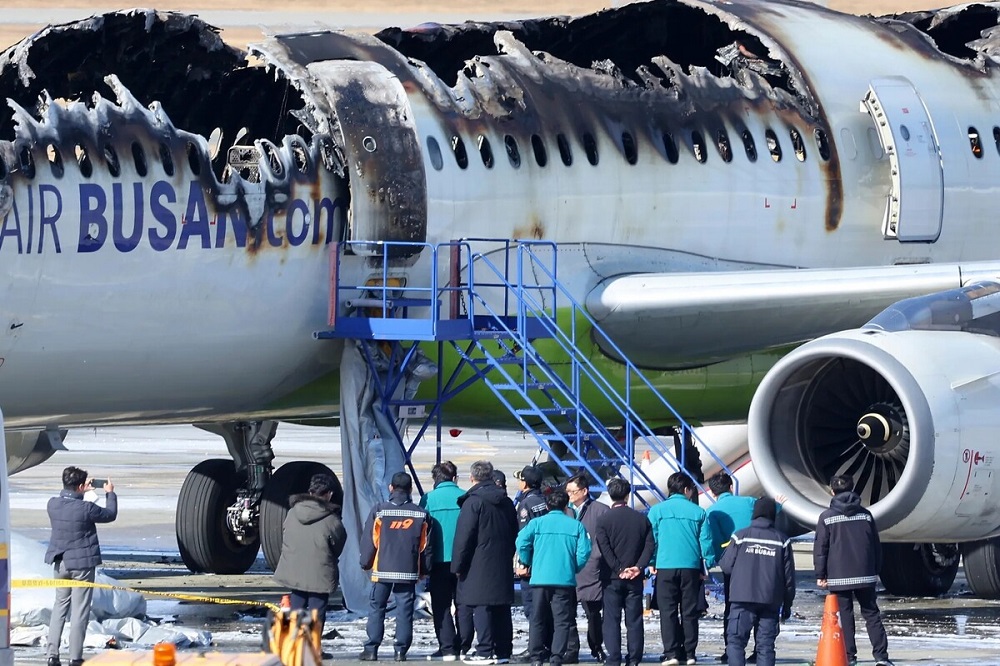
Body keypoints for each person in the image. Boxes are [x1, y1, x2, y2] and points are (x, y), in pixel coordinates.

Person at [814, 475, 893, 666]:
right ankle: (881, 656)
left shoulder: (827, 517)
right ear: (852, 489)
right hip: (865, 574)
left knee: (845, 616)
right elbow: (876, 546)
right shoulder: (866, 515)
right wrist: (875, 569)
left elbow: (821, 548)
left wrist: (820, 574)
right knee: (872, 615)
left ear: (832, 491)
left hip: (838, 576)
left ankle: (849, 656)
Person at [44, 467, 119, 666]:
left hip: (60, 562)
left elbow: (70, 504)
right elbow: (110, 514)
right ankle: (75, 657)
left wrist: (81, 492)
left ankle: (52, 655)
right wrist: (110, 493)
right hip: (82, 565)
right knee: (79, 611)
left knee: (59, 607)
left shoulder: (52, 504)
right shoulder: (86, 508)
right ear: (80, 486)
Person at [360, 472, 432, 662]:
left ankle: (371, 649)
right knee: (405, 610)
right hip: (407, 570)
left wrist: (365, 562)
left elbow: (370, 540)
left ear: (391, 488)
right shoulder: (420, 514)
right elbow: (425, 546)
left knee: (377, 607)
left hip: (382, 568)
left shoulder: (380, 511)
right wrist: (424, 570)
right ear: (410, 489)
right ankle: (400, 650)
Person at [452, 460, 519, 665]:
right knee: (501, 606)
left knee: (481, 605)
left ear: (472, 477)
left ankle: (484, 650)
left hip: (477, 562)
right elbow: (514, 532)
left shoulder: (473, 502)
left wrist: (457, 565)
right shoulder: (506, 501)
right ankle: (503, 650)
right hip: (501, 561)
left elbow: (464, 537)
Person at [515, 490, 591, 666]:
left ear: (547, 506)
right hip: (564, 579)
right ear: (566, 507)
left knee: (537, 618)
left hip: (540, 578)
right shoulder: (575, 526)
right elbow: (585, 551)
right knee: (562, 620)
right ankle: (556, 657)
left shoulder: (536, 523)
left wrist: (527, 560)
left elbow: (521, 542)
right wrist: (573, 567)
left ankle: (536, 656)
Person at [647, 472, 714, 666]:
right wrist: (706, 564)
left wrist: (651, 562)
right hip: (690, 567)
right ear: (686, 490)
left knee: (667, 611)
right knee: (689, 611)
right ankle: (690, 653)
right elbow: (706, 541)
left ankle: (671, 654)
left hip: (665, 566)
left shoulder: (657, 511)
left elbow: (652, 540)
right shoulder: (699, 512)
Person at [718, 497, 795, 666]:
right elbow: (789, 578)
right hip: (770, 600)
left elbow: (726, 566)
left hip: (742, 599)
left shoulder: (740, 536)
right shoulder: (782, 540)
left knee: (736, 642)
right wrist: (787, 605)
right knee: (765, 646)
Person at [273, 473, 347, 640]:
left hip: (294, 569)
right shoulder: (332, 519)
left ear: (310, 491)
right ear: (329, 494)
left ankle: (294, 644)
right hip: (320, 572)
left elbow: (285, 534)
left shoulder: (293, 512)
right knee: (317, 611)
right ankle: (312, 647)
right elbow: (339, 544)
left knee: (296, 606)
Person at [594, 478, 654, 666]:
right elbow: (649, 545)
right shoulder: (641, 519)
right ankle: (634, 658)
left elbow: (604, 548)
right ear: (628, 495)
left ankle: (614, 658)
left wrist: (618, 568)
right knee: (634, 619)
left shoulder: (603, 520)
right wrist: (638, 566)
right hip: (634, 577)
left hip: (611, 577)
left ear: (610, 495)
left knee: (611, 620)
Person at [704, 473, 755, 664]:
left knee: (732, 607)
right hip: (757, 560)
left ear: (712, 492)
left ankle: (731, 651)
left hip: (732, 565)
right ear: (731, 487)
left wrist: (716, 561)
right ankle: (760, 650)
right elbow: (772, 509)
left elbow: (715, 540)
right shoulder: (749, 502)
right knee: (760, 605)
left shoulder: (712, 511)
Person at [420, 461, 465, 660]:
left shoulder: (428, 499)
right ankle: (464, 645)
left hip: (438, 560)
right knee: (463, 604)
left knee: (441, 605)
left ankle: (447, 648)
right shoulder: (465, 497)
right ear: (455, 478)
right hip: (463, 560)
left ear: (435, 479)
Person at [565, 473, 610, 663]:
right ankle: (571, 650)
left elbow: (604, 540)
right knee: (567, 613)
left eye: (572, 491)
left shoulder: (600, 510)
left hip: (591, 568)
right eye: (567, 491)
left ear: (584, 491)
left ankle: (596, 646)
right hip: (568, 568)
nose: (569, 495)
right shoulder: (564, 510)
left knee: (593, 612)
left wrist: (596, 557)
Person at [514, 466, 549, 625]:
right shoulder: (544, 500)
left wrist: (524, 563)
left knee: (531, 606)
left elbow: (524, 537)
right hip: (545, 559)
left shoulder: (526, 504)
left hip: (531, 562)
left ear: (525, 483)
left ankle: (537, 638)